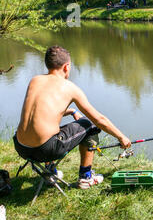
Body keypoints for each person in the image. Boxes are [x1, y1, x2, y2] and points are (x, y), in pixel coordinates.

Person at [13, 46, 131, 189]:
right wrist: (121, 137)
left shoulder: (35, 80)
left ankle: (50, 172)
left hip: (21, 147)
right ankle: (85, 177)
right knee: (89, 125)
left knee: (50, 129)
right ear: (67, 67)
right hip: (45, 150)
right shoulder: (70, 88)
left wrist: (70, 111)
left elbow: (42, 112)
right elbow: (99, 120)